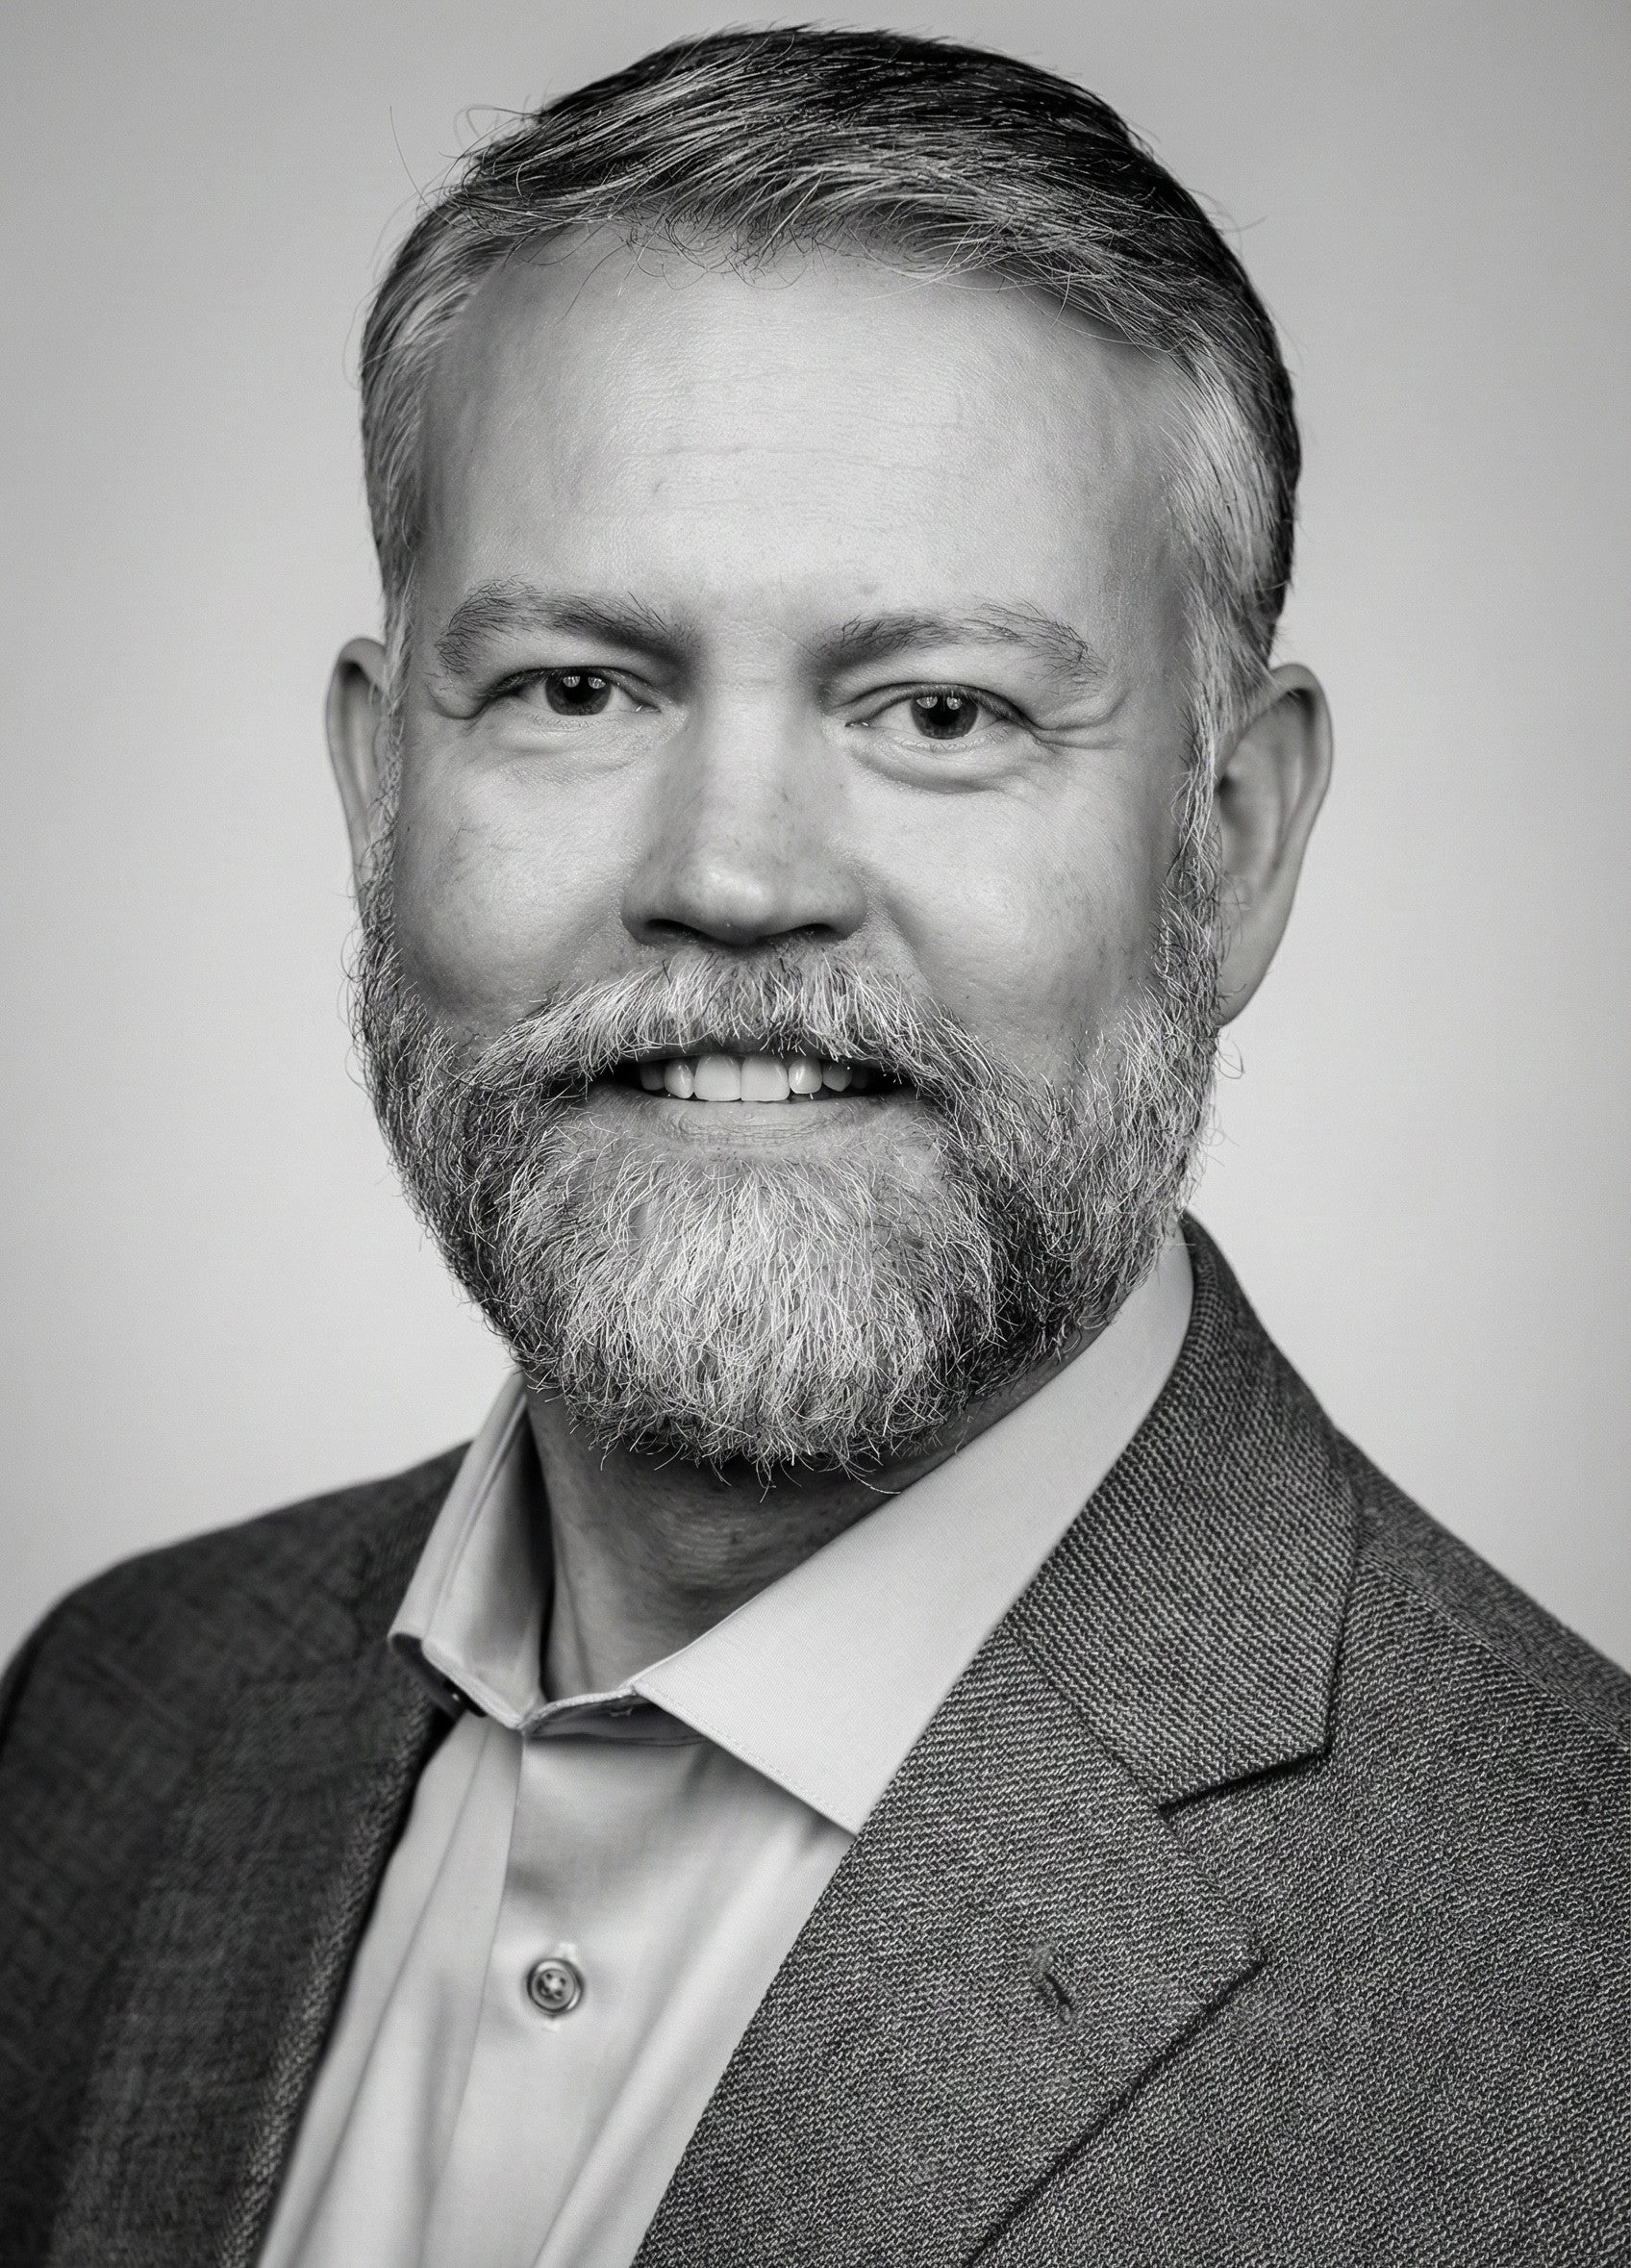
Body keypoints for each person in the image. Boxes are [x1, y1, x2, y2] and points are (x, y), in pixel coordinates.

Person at [1, 26, 1625, 2267]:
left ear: (1227, 844)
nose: (737, 876)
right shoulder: (107, 1722)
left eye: (938, 710)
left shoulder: (1578, 2018)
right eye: (576, 686)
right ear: (381, 794)